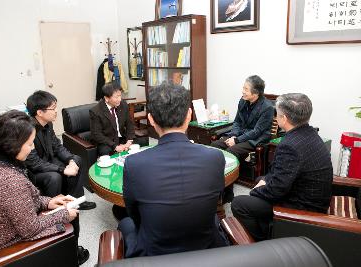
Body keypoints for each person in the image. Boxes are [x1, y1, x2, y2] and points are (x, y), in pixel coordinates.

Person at [118, 81, 229, 258]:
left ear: (151, 119)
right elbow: (215, 201)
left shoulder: (134, 164)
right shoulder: (215, 157)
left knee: (125, 223)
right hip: (207, 249)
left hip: (155, 254)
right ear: (189, 115)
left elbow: (135, 214)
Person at [0, 111, 89, 265]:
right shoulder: (9, 180)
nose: (32, 148)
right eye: (30, 143)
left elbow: (20, 200)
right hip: (1, 248)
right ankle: (72, 256)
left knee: (64, 210)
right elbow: (30, 229)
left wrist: (48, 202)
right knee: (69, 221)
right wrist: (64, 215)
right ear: (13, 145)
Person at [231, 93, 333, 241]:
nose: (275, 118)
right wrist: (264, 180)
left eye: (277, 115)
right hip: (307, 194)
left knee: (239, 203)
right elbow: (282, 174)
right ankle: (265, 221)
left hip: (301, 210)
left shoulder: (289, 146)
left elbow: (276, 190)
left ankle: (263, 240)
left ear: (284, 119)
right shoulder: (311, 133)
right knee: (260, 178)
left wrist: (257, 191)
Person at [25, 90, 96, 211]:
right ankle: (55, 209)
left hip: (49, 161)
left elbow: (57, 146)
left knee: (76, 159)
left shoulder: (48, 124)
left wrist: (71, 160)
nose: (56, 111)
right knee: (54, 177)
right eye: (53, 108)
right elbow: (34, 163)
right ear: (40, 112)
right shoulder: (28, 130)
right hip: (35, 170)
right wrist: (62, 169)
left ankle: (76, 200)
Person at [211, 75, 274, 203]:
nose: (243, 91)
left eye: (246, 89)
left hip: (256, 139)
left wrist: (237, 140)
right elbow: (237, 122)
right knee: (214, 146)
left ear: (255, 93)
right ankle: (214, 183)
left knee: (231, 151)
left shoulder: (267, 108)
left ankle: (227, 192)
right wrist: (233, 135)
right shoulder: (243, 101)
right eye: (243, 88)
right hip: (240, 135)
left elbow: (257, 131)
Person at [90, 82, 135, 156]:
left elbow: (130, 124)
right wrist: (115, 146)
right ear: (106, 98)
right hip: (107, 141)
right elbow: (97, 134)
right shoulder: (95, 111)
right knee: (105, 151)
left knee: (140, 143)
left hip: (121, 137)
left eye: (120, 96)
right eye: (116, 97)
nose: (120, 99)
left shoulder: (123, 105)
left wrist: (128, 142)